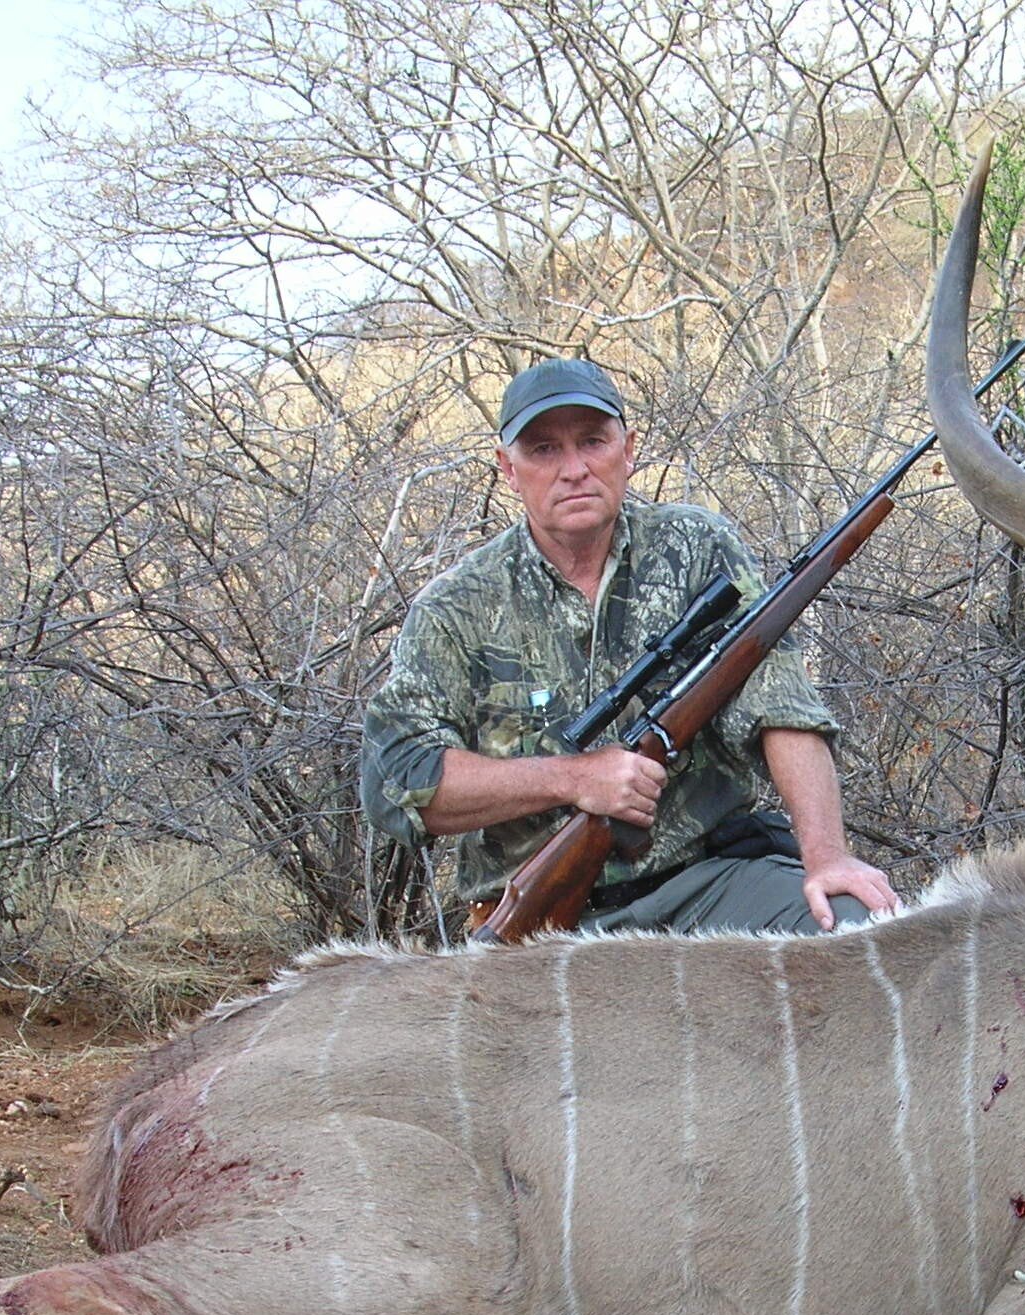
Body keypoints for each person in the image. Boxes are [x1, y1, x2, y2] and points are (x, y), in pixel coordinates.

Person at [362, 357, 900, 936]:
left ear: (628, 448)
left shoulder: (697, 548)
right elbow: (403, 784)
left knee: (857, 929)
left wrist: (827, 857)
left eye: (593, 441)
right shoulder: (456, 606)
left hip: (711, 885)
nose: (574, 469)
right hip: (544, 925)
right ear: (507, 469)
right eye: (543, 450)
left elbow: (782, 707)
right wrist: (573, 779)